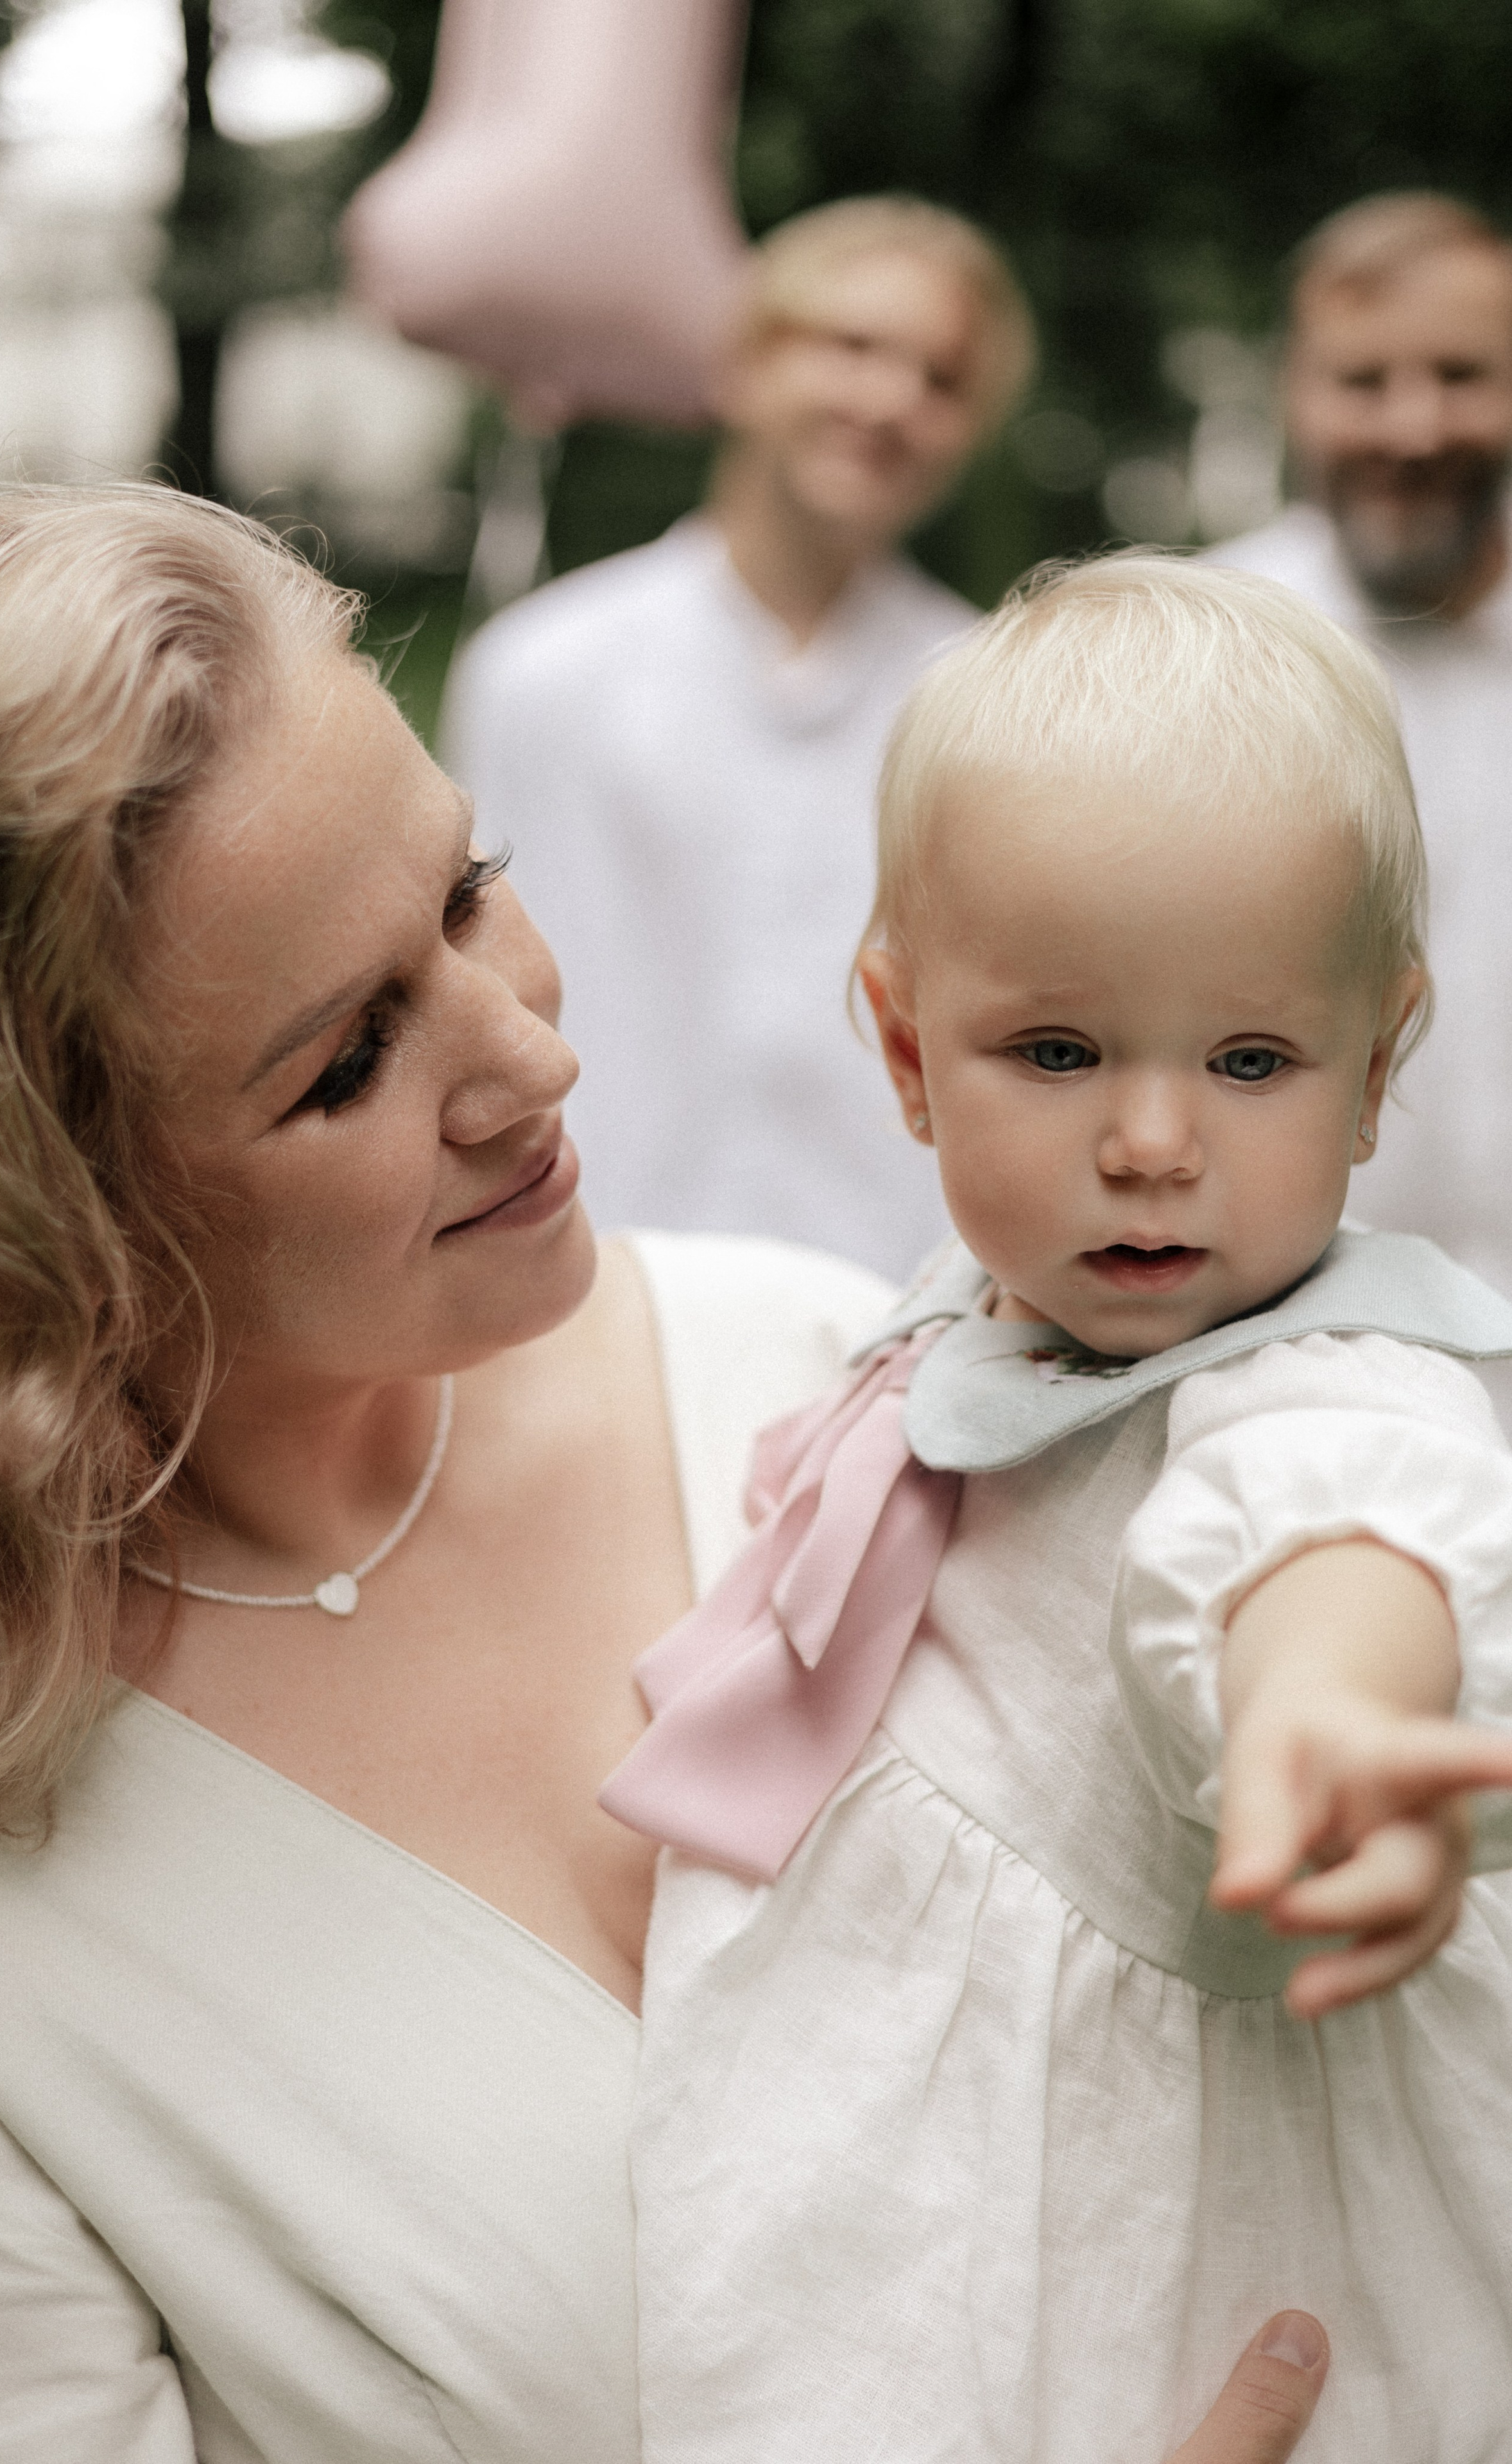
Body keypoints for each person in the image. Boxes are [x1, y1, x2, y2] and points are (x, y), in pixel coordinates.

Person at [0, 487, 1335, 2464]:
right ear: (36, 1225)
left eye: (468, 889)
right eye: (346, 1064)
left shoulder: (848, 1370)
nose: (531, 1061)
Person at [602, 559, 1512, 2461]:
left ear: (1378, 1070)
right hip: (912, 2189)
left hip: (1176, 2245)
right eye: (1062, 1052)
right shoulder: (970, 1319)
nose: (1156, 1141)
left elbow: (1322, 1539)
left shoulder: (1320, 1371)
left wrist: (1333, 1718)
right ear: (910, 1052)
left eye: (1253, 1061)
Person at [442, 195, 1035, 1283]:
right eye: (852, 346)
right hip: (599, 1283)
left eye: (943, 378)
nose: (892, 399)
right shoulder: (546, 670)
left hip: (900, 1302)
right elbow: (476, 1000)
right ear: (747, 368)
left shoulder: (995, 694)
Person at [1214, 193, 1512, 1344]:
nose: (1413, 427)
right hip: (1283, 1360)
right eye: (1363, 382)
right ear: (1295, 395)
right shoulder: (1203, 650)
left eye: (1461, 373)